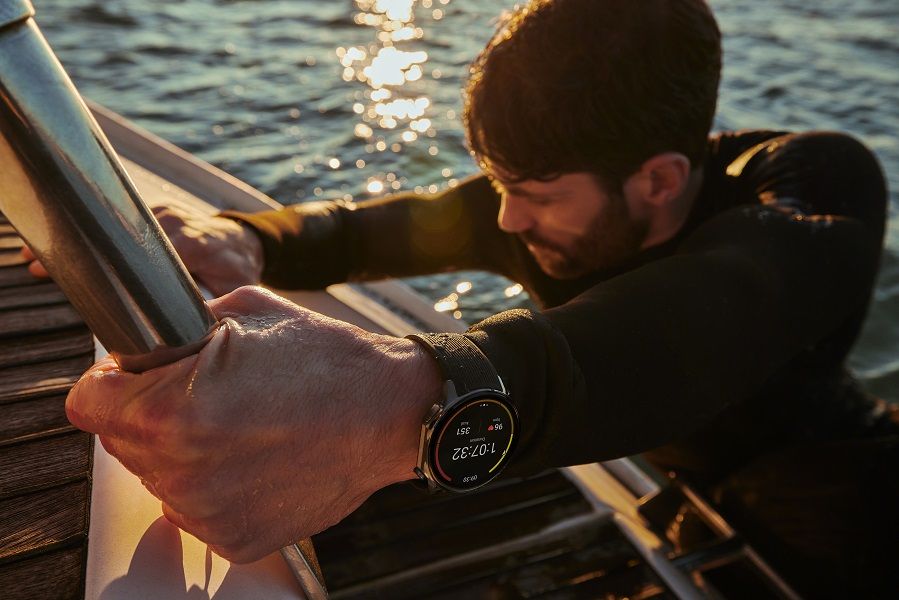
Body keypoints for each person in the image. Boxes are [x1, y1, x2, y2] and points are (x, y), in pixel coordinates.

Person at [39, 0, 896, 595]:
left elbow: (710, 312)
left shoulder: (815, 183)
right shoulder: (540, 205)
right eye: (497, 182)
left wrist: (408, 400)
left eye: (536, 191)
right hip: (684, 498)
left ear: (659, 181)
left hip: (849, 499)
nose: (505, 216)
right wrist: (245, 239)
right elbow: (374, 226)